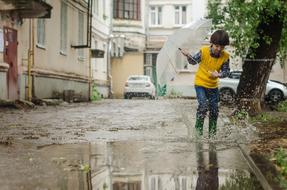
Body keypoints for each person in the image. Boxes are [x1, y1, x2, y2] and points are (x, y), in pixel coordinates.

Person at [180, 30, 230, 137]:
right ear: (211, 43)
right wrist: (188, 55)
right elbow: (193, 61)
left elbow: (226, 72)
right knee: (203, 106)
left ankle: (212, 134)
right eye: (217, 46)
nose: (219, 49)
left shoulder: (225, 56)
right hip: (200, 84)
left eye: (222, 47)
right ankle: (198, 134)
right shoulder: (204, 51)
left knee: (214, 110)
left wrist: (219, 74)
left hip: (213, 86)